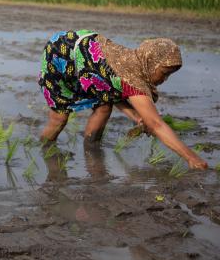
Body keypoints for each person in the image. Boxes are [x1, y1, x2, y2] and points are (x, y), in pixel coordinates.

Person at [38, 29, 208, 170]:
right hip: (61, 52)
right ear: (151, 62)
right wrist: (192, 158)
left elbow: (113, 88)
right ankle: (44, 149)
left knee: (104, 108)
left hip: (88, 61)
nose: (164, 80)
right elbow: (156, 124)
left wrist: (136, 117)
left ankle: (91, 151)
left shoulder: (134, 63)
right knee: (59, 118)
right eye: (164, 73)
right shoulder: (131, 77)